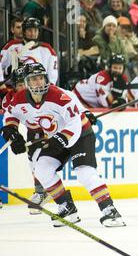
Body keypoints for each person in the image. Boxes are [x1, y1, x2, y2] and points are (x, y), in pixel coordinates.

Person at [1, 62, 125, 227]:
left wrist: (61, 139)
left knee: (84, 172)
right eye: (34, 79)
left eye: (41, 78)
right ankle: (66, 207)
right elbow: (11, 114)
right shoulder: (19, 98)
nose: (39, 82)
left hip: (80, 135)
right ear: (27, 82)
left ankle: (109, 210)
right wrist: (11, 130)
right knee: (41, 169)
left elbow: (74, 123)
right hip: (57, 137)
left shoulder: (59, 96)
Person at [1, 67, 49, 215]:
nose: (23, 87)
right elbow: (11, 118)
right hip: (33, 130)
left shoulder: (44, 93)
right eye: (19, 85)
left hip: (51, 128)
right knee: (33, 161)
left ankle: (47, 193)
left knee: (45, 162)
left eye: (24, 84)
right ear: (14, 86)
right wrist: (12, 132)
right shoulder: (10, 99)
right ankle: (41, 192)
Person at [0, 17, 58, 84]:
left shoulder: (47, 50)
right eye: (30, 30)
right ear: (24, 32)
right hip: (15, 90)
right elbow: (2, 70)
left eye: (35, 31)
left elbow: (52, 78)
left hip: (40, 90)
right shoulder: (11, 47)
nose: (33, 34)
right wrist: (9, 70)